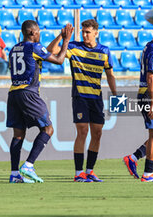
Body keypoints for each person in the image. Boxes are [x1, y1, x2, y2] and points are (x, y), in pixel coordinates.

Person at [47, 19, 117, 183]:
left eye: (88, 32)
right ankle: (79, 173)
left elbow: (110, 75)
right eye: (83, 32)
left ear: (96, 33)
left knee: (97, 134)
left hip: (96, 98)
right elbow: (50, 51)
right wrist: (61, 36)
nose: (84, 35)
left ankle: (90, 171)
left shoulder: (104, 51)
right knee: (83, 131)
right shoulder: (74, 47)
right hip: (80, 97)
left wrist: (115, 94)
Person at [7, 20, 73, 183]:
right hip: (29, 93)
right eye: (38, 32)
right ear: (33, 33)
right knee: (48, 129)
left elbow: (46, 51)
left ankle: (15, 174)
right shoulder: (34, 47)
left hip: (13, 93)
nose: (39, 35)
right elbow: (58, 59)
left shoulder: (14, 48)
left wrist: (59, 36)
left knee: (18, 135)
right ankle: (29, 165)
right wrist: (66, 41)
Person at [123, 21, 153, 182]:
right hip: (151, 96)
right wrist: (152, 102)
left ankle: (133, 158)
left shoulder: (151, 48)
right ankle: (148, 174)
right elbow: (151, 78)